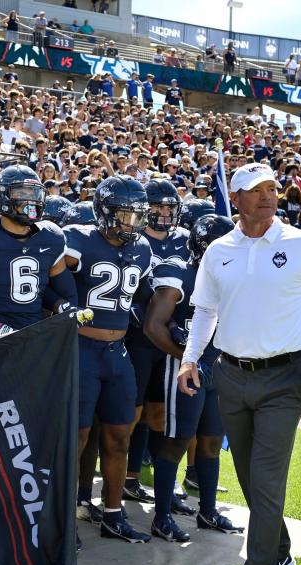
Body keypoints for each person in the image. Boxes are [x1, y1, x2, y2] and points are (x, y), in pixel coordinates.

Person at [178, 162, 301, 565]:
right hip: (229, 375)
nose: (268, 196)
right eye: (256, 190)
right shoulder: (217, 250)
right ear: (237, 199)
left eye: (272, 187)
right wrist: (191, 358)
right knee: (251, 479)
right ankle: (282, 552)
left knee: (266, 481)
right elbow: (205, 309)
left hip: (285, 378)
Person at [61, 177, 153, 542]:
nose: (130, 223)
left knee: (120, 437)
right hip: (81, 350)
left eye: (135, 216)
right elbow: (49, 279)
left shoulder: (142, 248)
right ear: (103, 211)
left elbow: (144, 295)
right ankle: (63, 516)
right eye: (122, 215)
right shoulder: (78, 239)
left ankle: (113, 514)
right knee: (77, 437)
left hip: (118, 353)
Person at [144, 214, 244, 543]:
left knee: (212, 442)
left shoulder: (232, 275)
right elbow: (154, 325)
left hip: (217, 367)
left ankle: (208, 510)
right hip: (185, 367)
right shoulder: (179, 271)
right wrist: (185, 358)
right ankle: (161, 517)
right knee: (176, 441)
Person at [120, 180, 193, 518]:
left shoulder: (183, 240)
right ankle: (126, 476)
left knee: (159, 413)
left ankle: (159, 481)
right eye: (158, 207)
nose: (164, 214)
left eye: (168, 208)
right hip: (136, 336)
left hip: (169, 337)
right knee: (132, 412)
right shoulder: (133, 238)